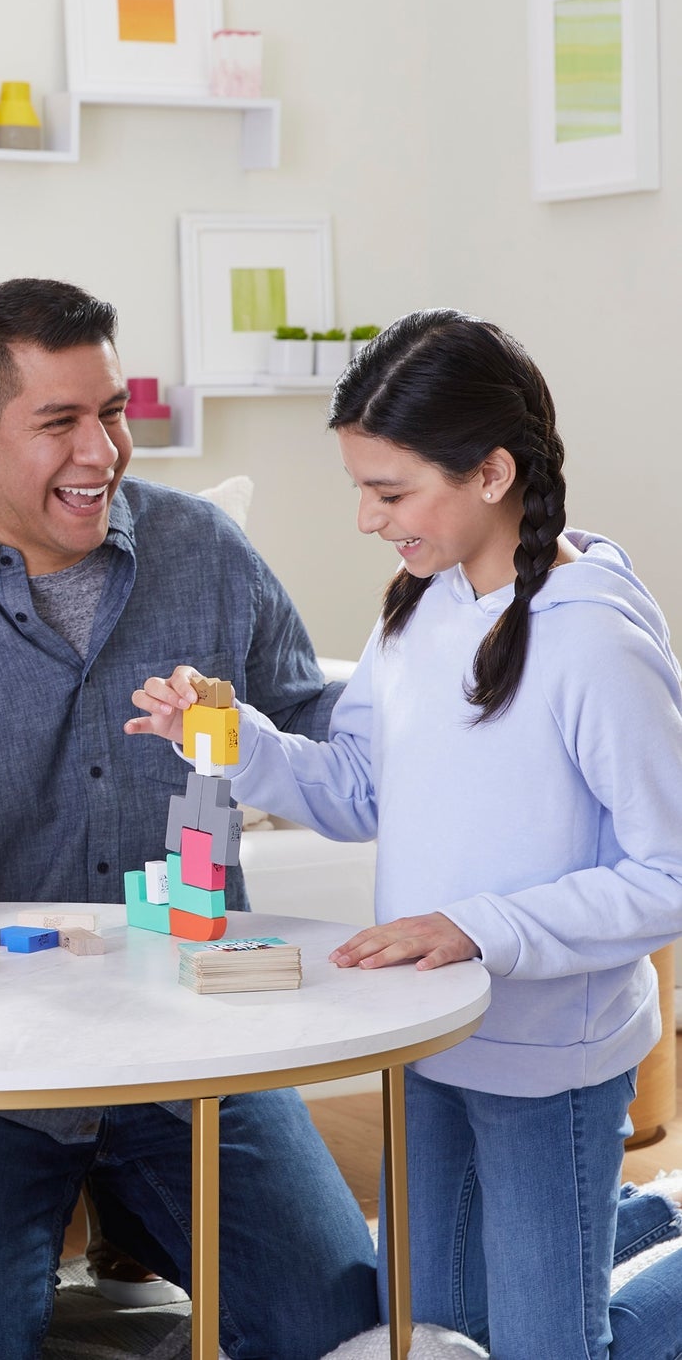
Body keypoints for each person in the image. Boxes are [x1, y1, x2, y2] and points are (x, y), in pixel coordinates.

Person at [0, 277, 379, 1360]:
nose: (100, 450)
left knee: (335, 1329)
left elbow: (325, 737)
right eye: (57, 421)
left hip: (195, 1045)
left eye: (111, 411)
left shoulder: (203, 550)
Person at [130, 308, 682, 1359]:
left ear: (487, 471)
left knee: (545, 1349)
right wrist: (231, 737)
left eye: (388, 492)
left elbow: (664, 872)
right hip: (425, 1038)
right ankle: (613, 1226)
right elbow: (353, 790)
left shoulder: (595, 640)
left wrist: (473, 926)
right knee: (427, 1331)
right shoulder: (415, 611)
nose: (364, 520)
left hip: (548, 1055)